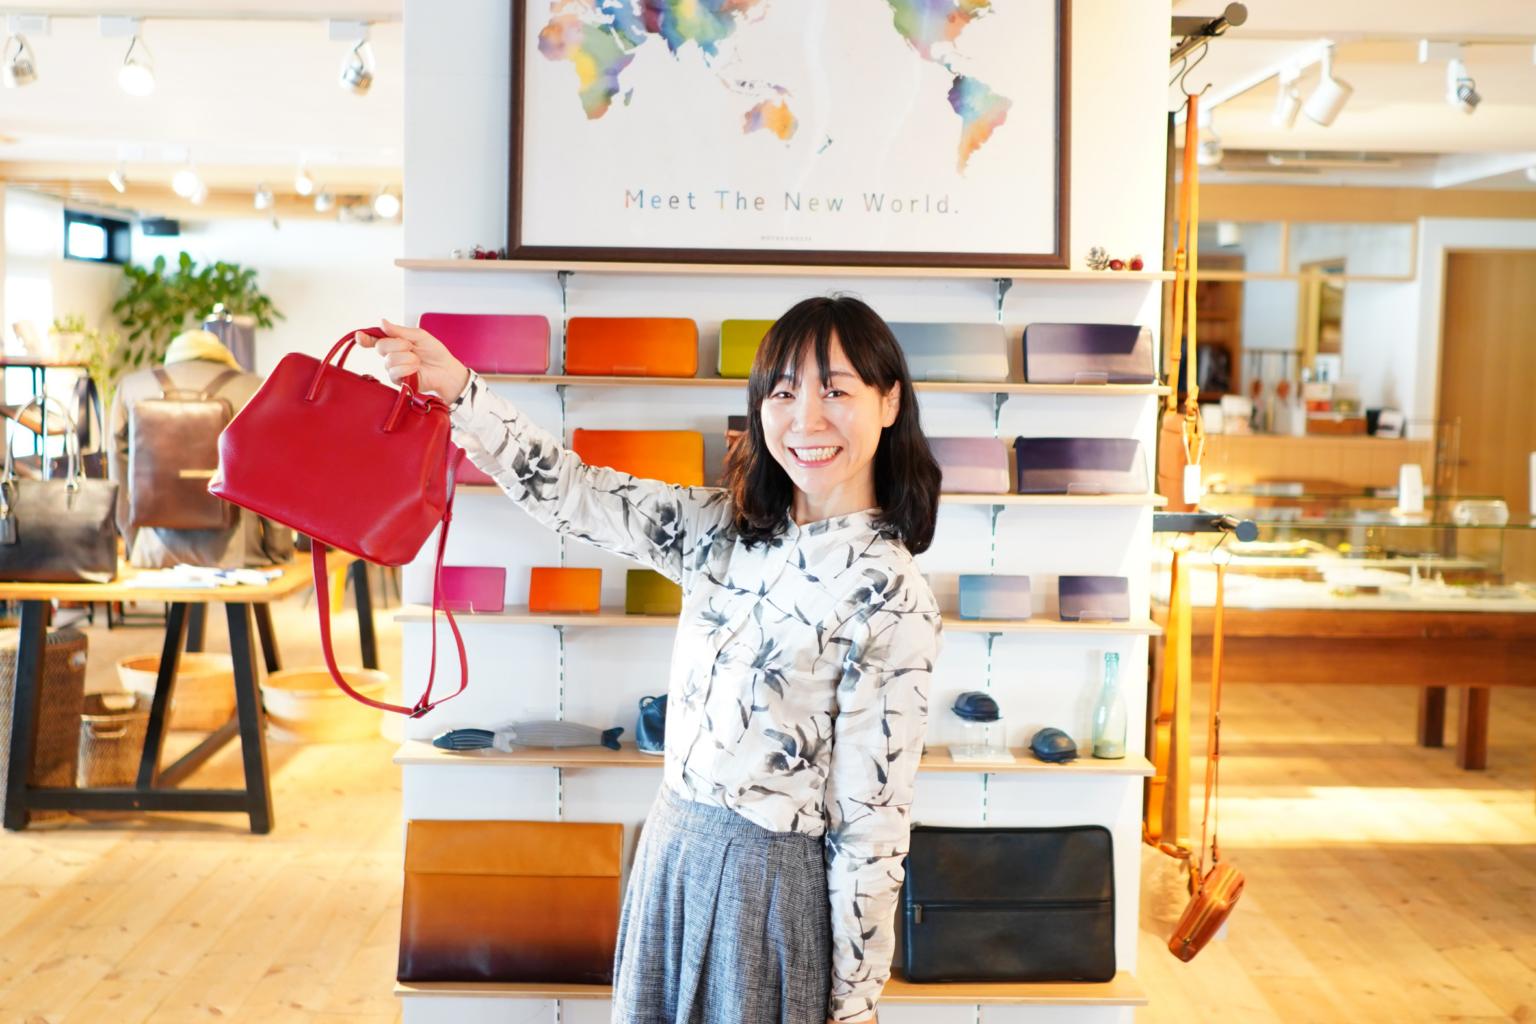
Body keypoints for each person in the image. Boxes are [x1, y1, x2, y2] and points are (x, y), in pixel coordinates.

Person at [360, 295, 943, 1024]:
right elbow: (575, 493)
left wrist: (855, 999)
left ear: (889, 402)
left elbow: (871, 821)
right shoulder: (724, 529)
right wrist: (461, 392)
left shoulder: (891, 594)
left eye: (836, 390)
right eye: (783, 392)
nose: (806, 420)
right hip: (672, 849)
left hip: (770, 891)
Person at [110, 329, 292, 568]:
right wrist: (278, 549)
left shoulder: (131, 387)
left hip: (153, 550)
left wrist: (132, 543)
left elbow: (118, 474)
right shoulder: (255, 388)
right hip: (238, 553)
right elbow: (273, 477)